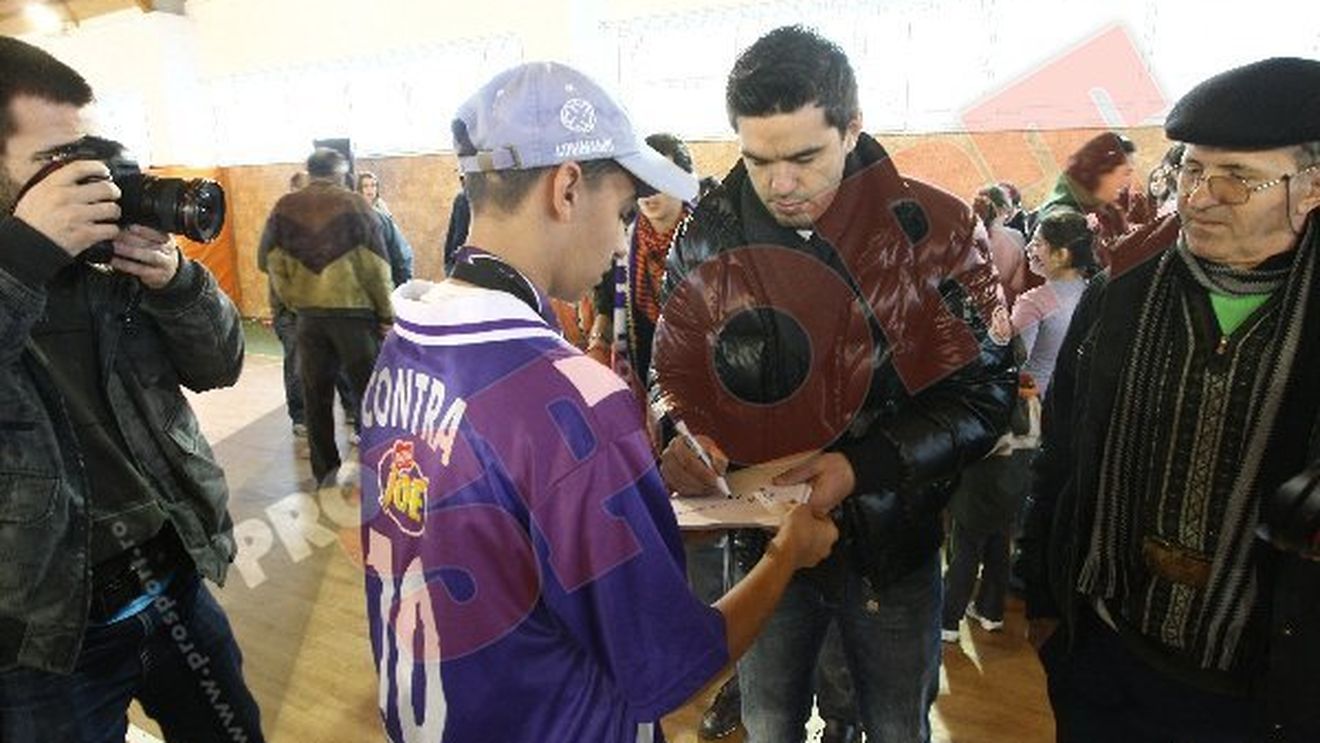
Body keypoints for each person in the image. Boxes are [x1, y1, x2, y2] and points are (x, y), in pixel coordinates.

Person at [359, 61, 838, 743]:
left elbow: (504, 539)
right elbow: (671, 664)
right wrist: (785, 553)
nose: (621, 242)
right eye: (619, 213)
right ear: (566, 187)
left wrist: (647, 505)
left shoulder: (403, 350)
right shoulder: (573, 399)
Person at [657, 26, 1015, 743]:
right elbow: (674, 375)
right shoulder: (705, 240)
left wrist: (860, 467)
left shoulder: (933, 230)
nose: (780, 184)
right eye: (757, 160)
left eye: (803, 157)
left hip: (894, 547)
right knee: (766, 720)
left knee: (893, 725)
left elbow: (984, 395)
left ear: (852, 128)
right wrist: (677, 432)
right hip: (766, 550)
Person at [1021, 57, 1320, 742]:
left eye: (1237, 179)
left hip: (1261, 690)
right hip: (1104, 654)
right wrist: (1044, 593)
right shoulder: (1119, 295)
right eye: (1188, 169)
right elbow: (1061, 452)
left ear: (1311, 187)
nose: (1199, 196)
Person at [0, 36, 263, 742]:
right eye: (54, 164)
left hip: (171, 581)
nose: (83, 179)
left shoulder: (105, 260)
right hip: (44, 642)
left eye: (83, 153)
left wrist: (175, 280)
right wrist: (23, 257)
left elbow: (221, 363)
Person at [263, 147, 392, 485]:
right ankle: (379, 464)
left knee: (315, 396)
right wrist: (386, 313)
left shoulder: (284, 207)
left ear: (311, 170)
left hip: (308, 317)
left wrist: (294, 299)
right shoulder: (356, 205)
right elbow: (376, 267)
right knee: (370, 393)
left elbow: (269, 261)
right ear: (341, 172)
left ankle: (325, 472)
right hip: (354, 317)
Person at [1037, 132, 1137, 263]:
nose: (1127, 183)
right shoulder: (1060, 218)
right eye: (1125, 173)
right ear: (1100, 172)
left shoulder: (1111, 212)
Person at [974, 184, 1030, 307]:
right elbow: (1018, 285)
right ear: (1005, 208)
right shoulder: (1016, 238)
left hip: (973, 310)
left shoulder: (967, 238)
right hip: (1003, 308)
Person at [357, 170, 414, 287]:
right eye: (365, 186)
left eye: (373, 185)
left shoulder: (383, 212)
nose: (370, 190)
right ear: (359, 189)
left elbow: (398, 250)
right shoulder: (355, 214)